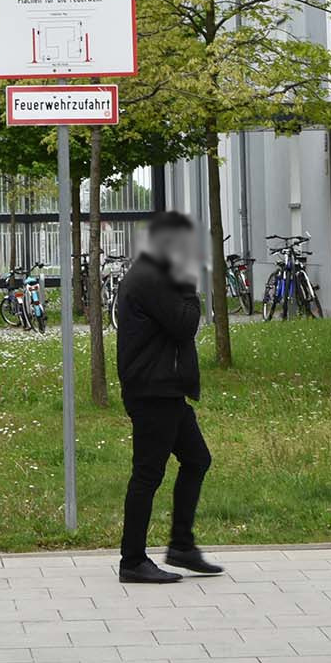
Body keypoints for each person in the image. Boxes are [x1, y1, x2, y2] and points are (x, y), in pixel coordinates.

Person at [114, 209, 223, 584]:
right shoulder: (152, 278)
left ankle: (181, 546)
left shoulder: (154, 274)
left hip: (165, 390)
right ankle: (132, 561)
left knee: (197, 459)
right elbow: (185, 324)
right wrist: (190, 284)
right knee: (147, 475)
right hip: (153, 391)